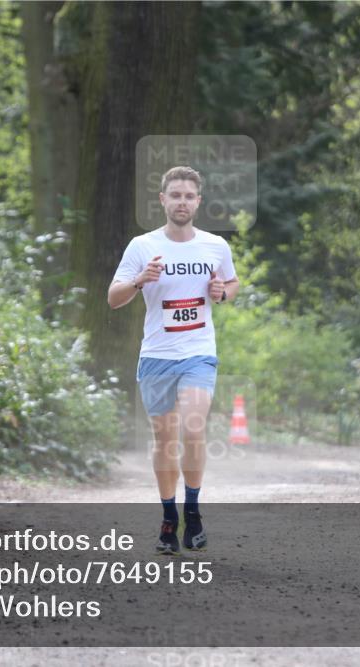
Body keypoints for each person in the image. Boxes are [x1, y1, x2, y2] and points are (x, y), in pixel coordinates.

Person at [108, 166, 239, 555]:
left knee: (194, 426)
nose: (182, 201)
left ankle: (193, 510)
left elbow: (231, 284)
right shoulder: (142, 247)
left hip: (198, 353)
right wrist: (139, 281)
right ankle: (169, 517)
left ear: (198, 202)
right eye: (175, 195)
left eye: (189, 196)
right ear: (162, 200)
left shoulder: (215, 245)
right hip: (156, 357)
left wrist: (222, 292)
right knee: (165, 440)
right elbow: (113, 298)